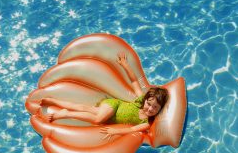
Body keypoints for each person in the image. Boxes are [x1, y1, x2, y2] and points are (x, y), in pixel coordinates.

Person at [39, 52, 168, 140]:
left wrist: (115, 131)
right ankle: (66, 113)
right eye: (149, 104)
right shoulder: (140, 100)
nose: (150, 109)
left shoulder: (145, 123)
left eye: (155, 107)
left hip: (109, 118)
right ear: (145, 100)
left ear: (160, 110)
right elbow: (134, 81)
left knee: (82, 107)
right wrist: (125, 65)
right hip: (113, 106)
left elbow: (132, 129)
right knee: (97, 120)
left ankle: (53, 101)